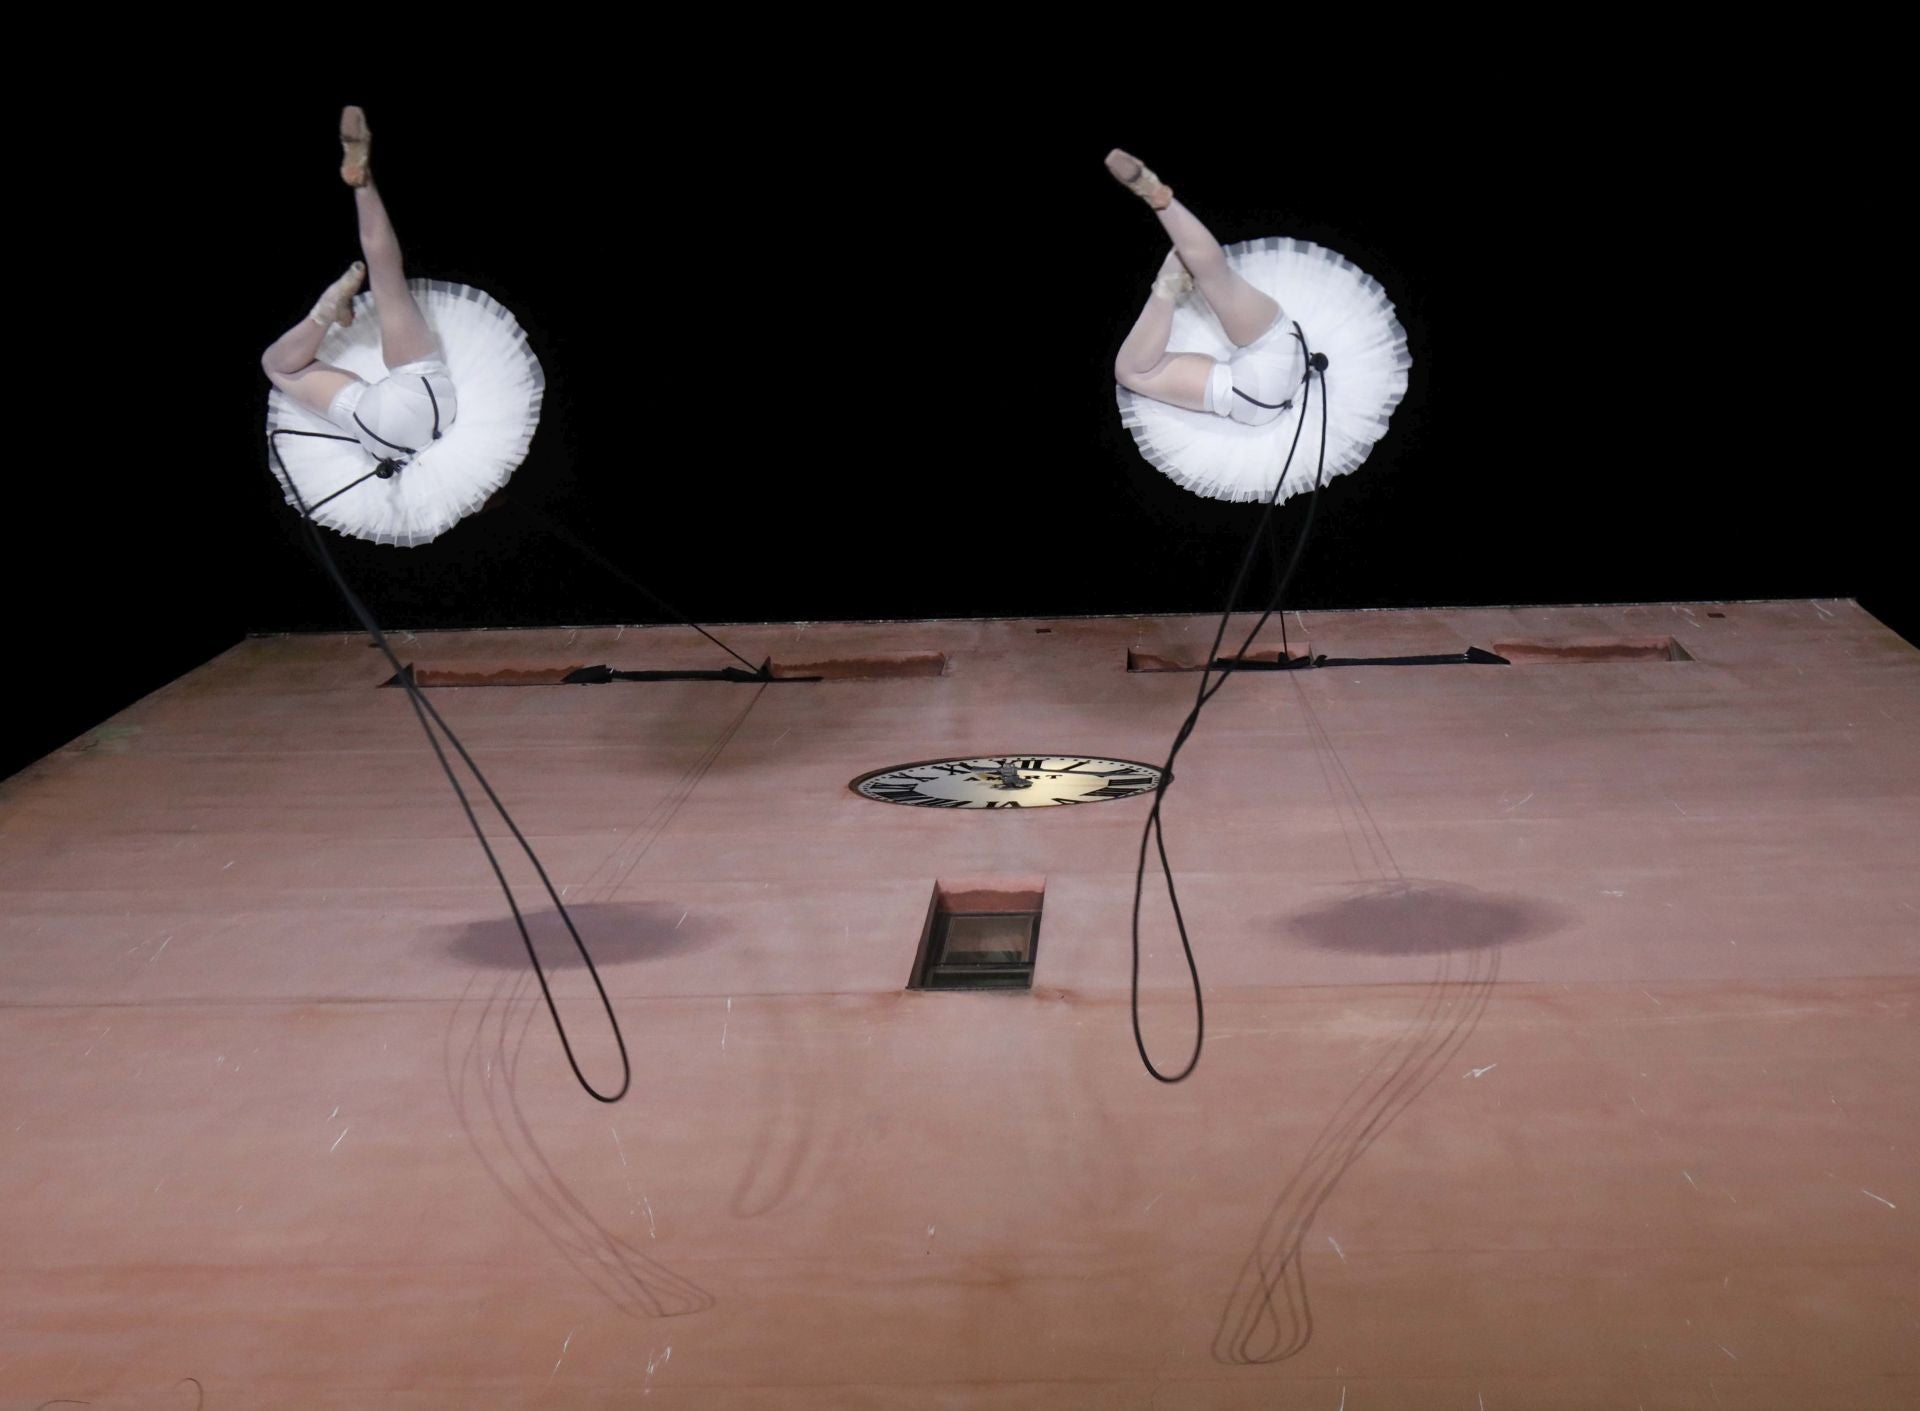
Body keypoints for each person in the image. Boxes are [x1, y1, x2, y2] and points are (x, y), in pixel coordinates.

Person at [263, 108, 543, 547]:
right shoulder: (446, 496)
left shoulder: (475, 464)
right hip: (378, 426)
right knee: (279, 368)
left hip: (430, 394)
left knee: (385, 271)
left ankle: (363, 181)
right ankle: (322, 316)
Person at [1104, 150, 1412, 504]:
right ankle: (1167, 285)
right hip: (1256, 400)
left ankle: (1161, 198)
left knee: (1215, 275)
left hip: (1287, 345)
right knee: (1131, 372)